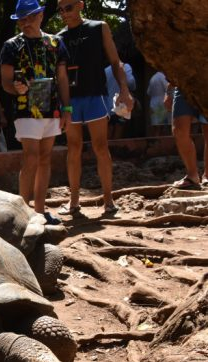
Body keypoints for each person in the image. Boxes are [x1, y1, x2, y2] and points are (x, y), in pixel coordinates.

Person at [56, 0, 132, 217]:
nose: (64, 13)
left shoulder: (99, 27)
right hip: (71, 100)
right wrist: (62, 105)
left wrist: (124, 90)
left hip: (95, 95)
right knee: (73, 148)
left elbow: (115, 61)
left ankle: (108, 200)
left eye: (68, 8)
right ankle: (73, 203)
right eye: (60, 10)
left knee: (100, 146)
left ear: (80, 5)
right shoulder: (58, 38)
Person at [0, 0, 71, 224]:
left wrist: (67, 108)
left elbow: (62, 79)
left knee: (45, 158)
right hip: (25, 109)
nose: (26, 22)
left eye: (30, 17)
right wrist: (15, 88)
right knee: (30, 157)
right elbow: (5, 82)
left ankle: (40, 212)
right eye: (22, 19)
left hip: (51, 107)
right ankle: (24, 214)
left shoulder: (56, 42)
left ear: (41, 16)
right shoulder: (11, 46)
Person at [167, 87, 208, 189]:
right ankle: (192, 175)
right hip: (183, 87)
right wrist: (168, 91)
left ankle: (207, 175)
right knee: (179, 131)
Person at [104, 61, 136, 139]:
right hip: (121, 104)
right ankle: (116, 150)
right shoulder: (125, 66)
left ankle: (109, 150)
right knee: (119, 129)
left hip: (108, 106)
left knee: (109, 129)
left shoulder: (105, 70)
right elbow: (131, 82)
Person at [147, 71, 170, 137]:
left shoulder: (153, 77)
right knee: (162, 127)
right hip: (161, 104)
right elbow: (168, 88)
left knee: (156, 127)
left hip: (153, 103)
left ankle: (156, 144)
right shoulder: (162, 77)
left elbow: (148, 92)